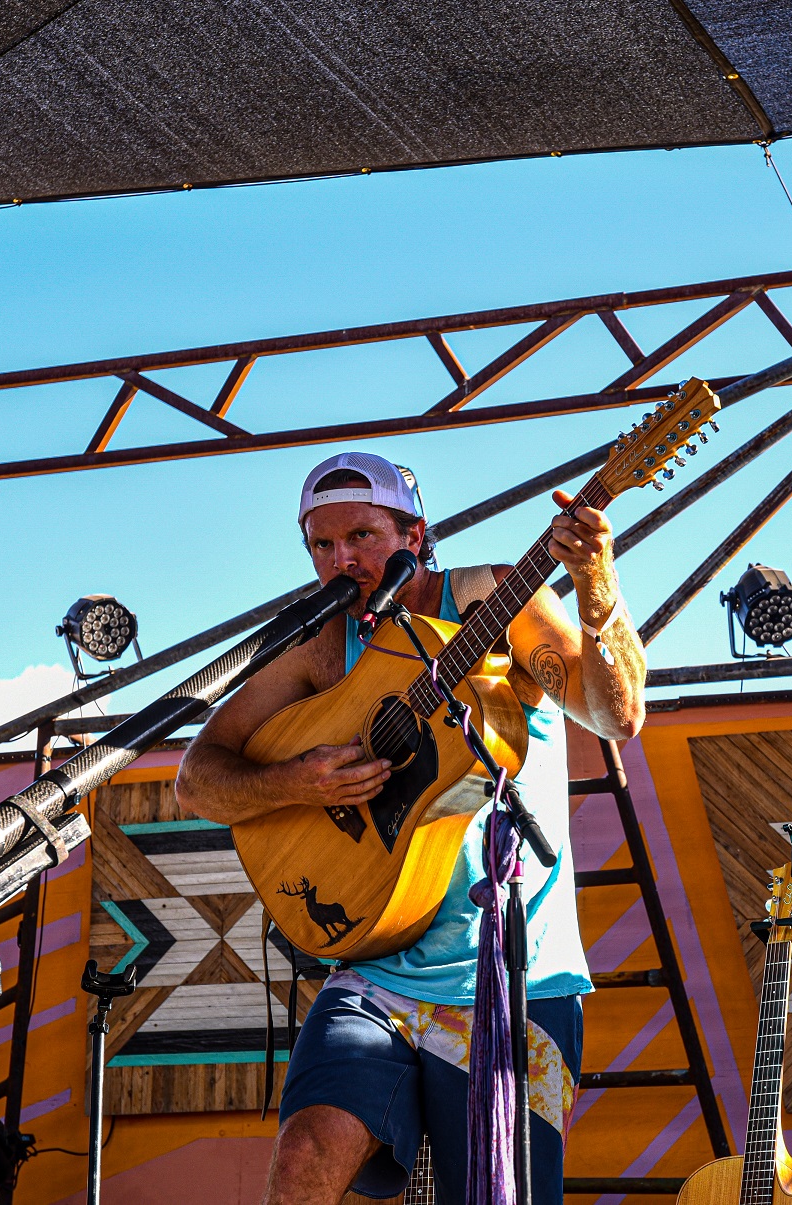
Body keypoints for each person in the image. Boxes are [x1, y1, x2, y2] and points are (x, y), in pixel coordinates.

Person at [176, 451, 646, 1205]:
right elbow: (198, 774)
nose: (341, 560)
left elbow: (614, 715)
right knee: (304, 1153)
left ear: (415, 535)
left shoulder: (493, 596)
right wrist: (294, 781)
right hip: (374, 967)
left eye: (360, 536)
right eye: (321, 545)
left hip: (512, 981)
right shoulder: (324, 641)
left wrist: (596, 585)